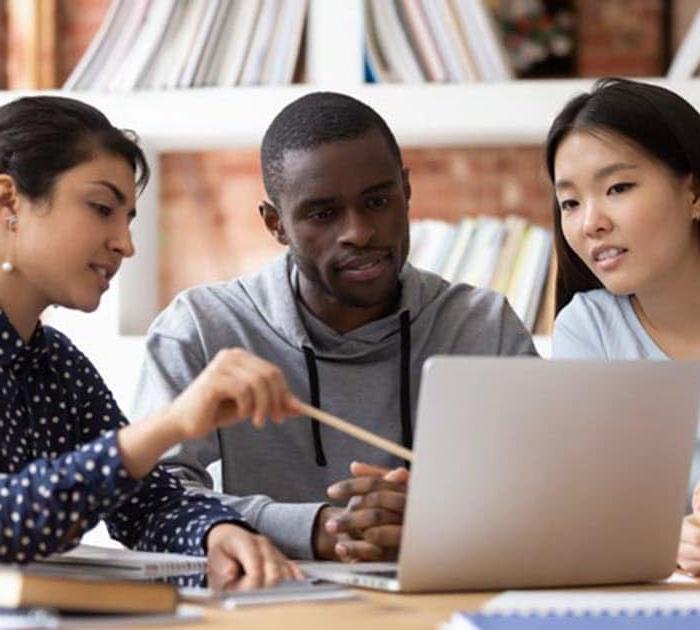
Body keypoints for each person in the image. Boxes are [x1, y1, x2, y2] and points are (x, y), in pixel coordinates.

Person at [132, 91, 537, 563]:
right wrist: (315, 529)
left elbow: (550, 497)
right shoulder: (202, 328)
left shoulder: (484, 326)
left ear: (406, 192)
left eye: (378, 201)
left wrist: (443, 518)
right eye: (323, 214)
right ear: (275, 224)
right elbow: (150, 502)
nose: (359, 232)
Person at [0, 95, 304, 589]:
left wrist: (215, 533)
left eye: (128, 219)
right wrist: (171, 423)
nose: (125, 243)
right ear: (9, 200)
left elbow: (145, 504)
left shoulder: (57, 365)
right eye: (101, 208)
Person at [544, 78, 700, 575]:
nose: (590, 223)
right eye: (570, 202)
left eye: (617, 188)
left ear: (694, 191)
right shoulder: (588, 331)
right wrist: (670, 540)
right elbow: (590, 511)